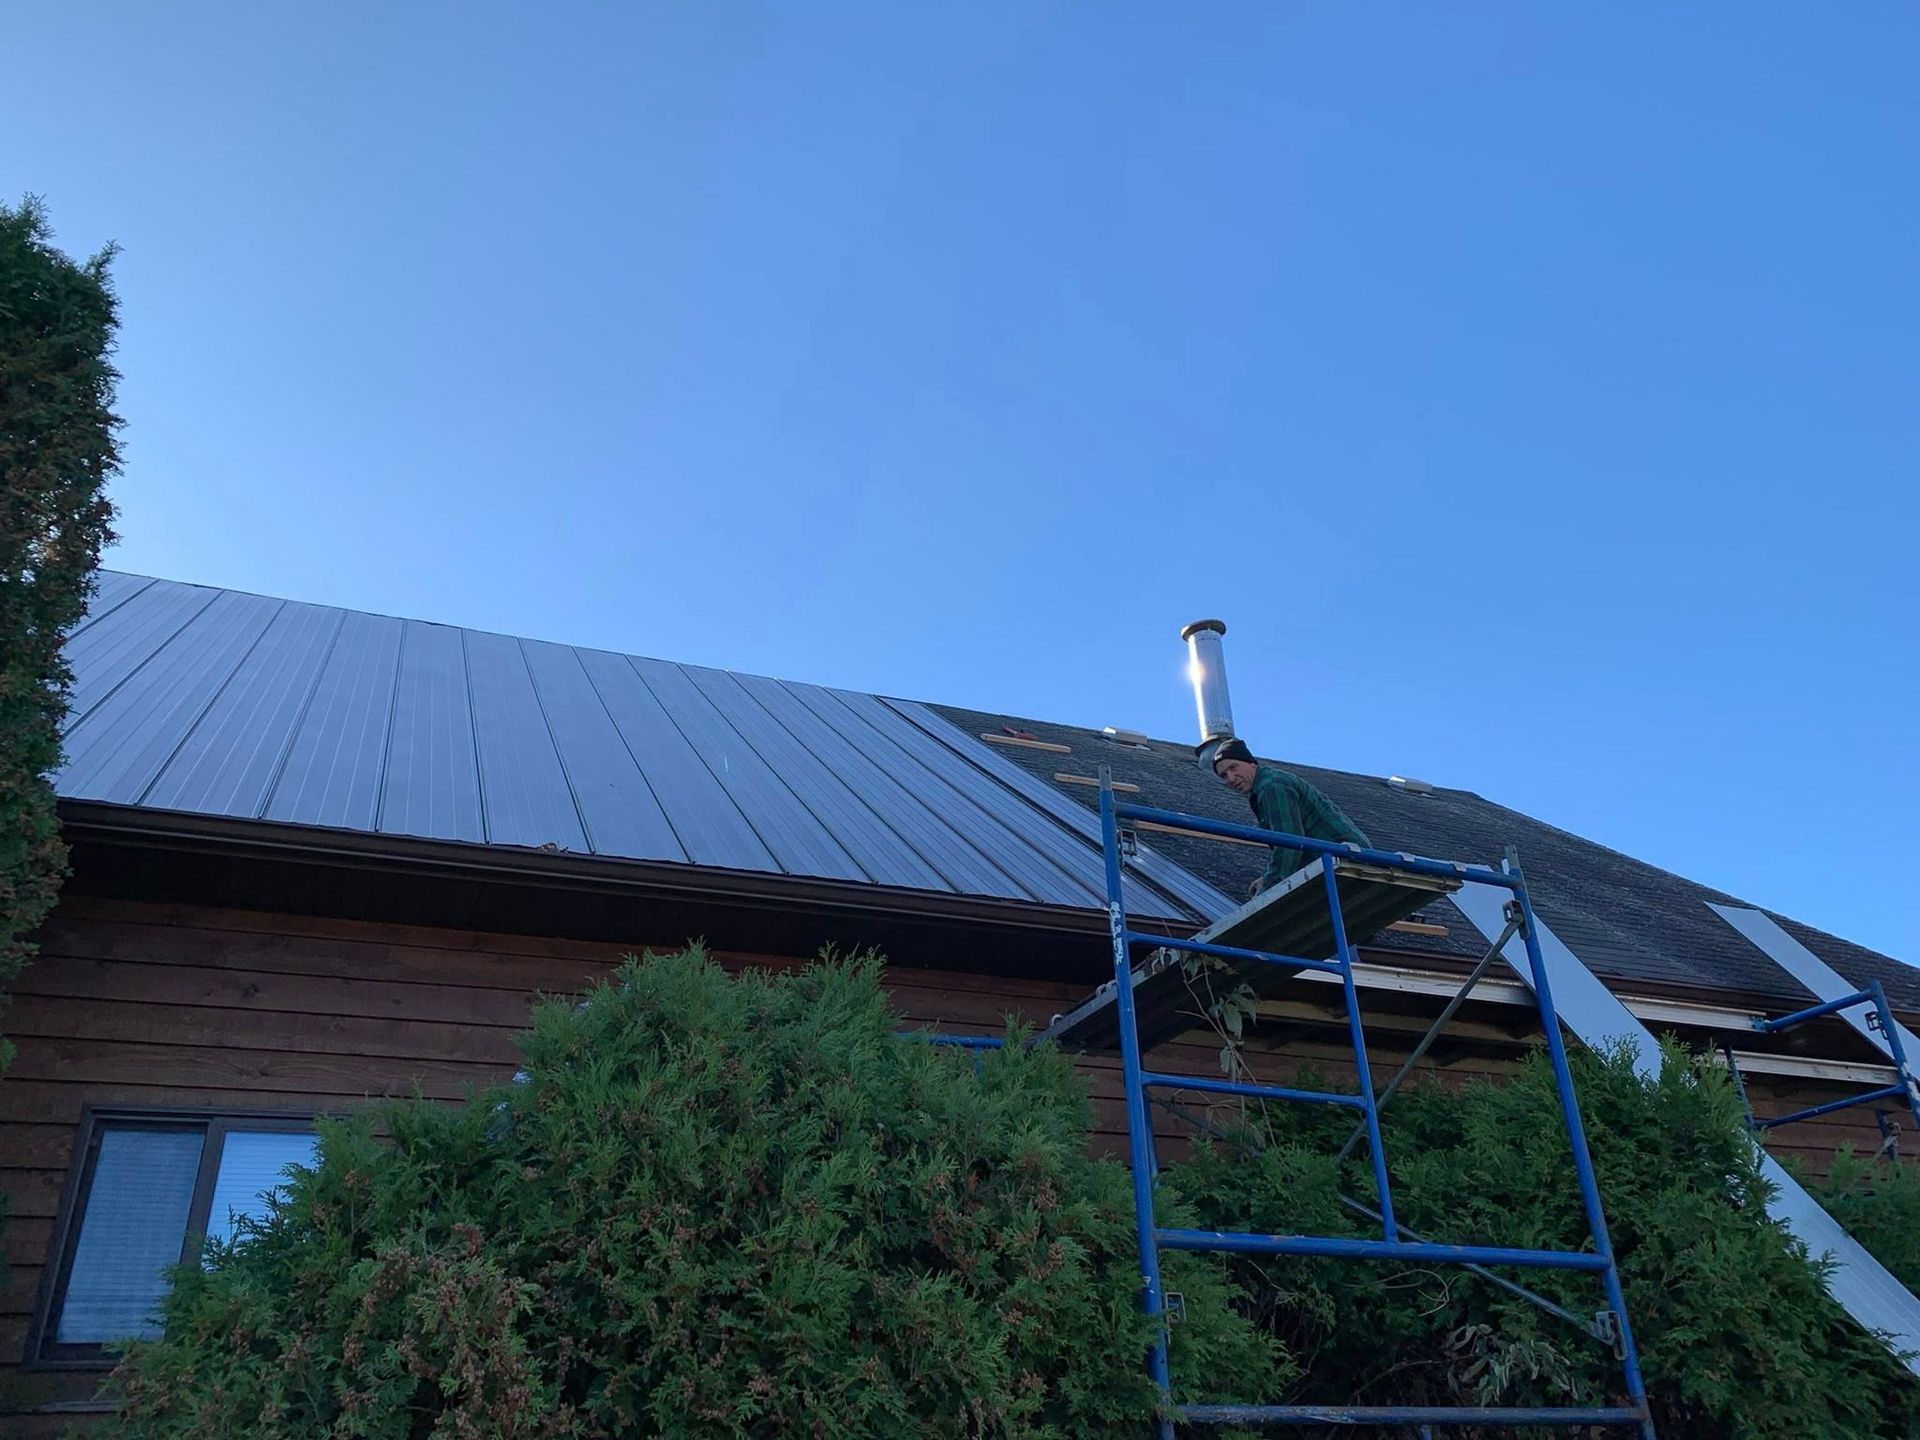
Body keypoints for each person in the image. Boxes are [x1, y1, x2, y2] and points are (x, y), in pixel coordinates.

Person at [1206, 738, 1371, 897]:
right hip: (1342, 857)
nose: (1231, 778)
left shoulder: (1272, 786)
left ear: (1251, 763)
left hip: (1345, 859)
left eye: (1233, 767)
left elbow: (1290, 844)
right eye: (1224, 776)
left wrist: (1268, 889)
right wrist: (1269, 878)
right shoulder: (1267, 785)